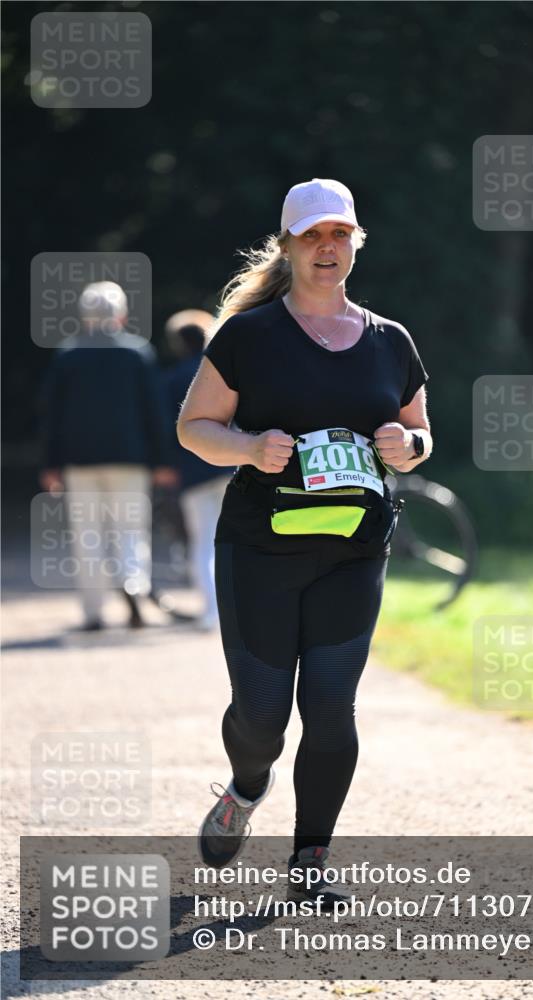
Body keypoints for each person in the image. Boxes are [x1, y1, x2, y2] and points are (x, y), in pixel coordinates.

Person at [177, 178, 432, 906]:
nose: (328, 247)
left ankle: (309, 860)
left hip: (354, 548)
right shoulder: (249, 336)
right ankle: (245, 785)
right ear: (287, 246)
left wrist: (406, 443)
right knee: (262, 719)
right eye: (313, 235)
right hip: (260, 548)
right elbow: (193, 428)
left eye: (340, 234)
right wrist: (250, 447)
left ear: (355, 243)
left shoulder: (390, 340)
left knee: (330, 707)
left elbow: (420, 432)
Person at [40, 281, 178, 630]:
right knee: (130, 529)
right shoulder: (137, 353)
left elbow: (51, 416)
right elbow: (154, 412)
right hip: (130, 460)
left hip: (79, 461)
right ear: (120, 315)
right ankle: (133, 585)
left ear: (84, 316)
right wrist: (162, 461)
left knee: (88, 534)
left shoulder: (67, 355)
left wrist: (50, 464)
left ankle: (93, 613)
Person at [163, 310, 235, 630]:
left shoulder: (172, 379)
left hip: (192, 473)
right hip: (231, 465)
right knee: (231, 541)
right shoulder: (227, 374)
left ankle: (211, 612)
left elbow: (166, 429)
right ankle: (233, 610)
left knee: (202, 541)